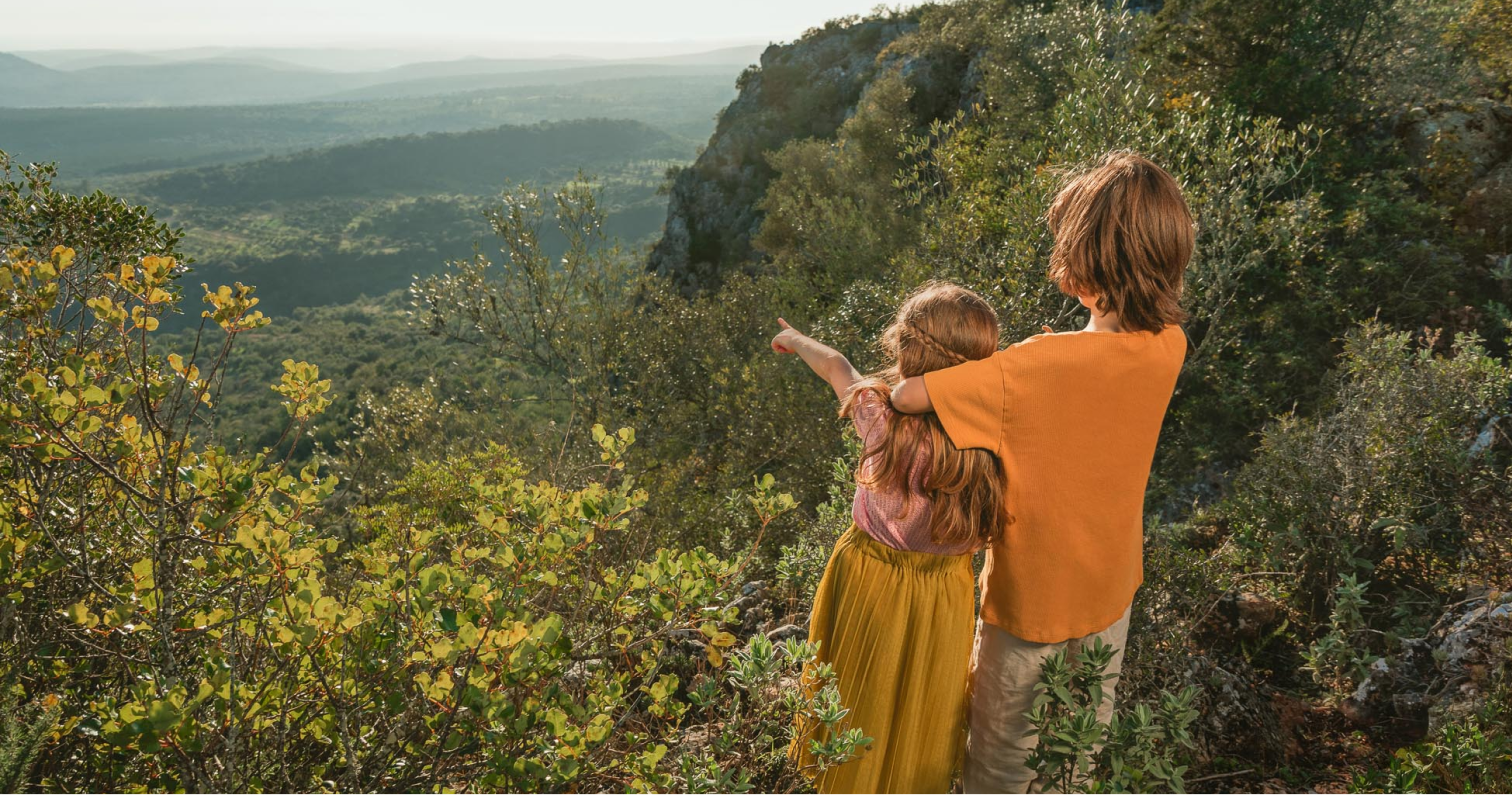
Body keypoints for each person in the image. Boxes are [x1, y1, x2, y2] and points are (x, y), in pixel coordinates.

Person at [890, 151, 1193, 794]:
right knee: (1074, 760)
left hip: (1029, 610)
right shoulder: (1170, 346)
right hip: (1110, 592)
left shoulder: (1029, 369)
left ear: (1086, 259)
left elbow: (908, 396)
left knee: (1001, 770)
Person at [773, 282, 1010, 795]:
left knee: (858, 693)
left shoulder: (881, 417)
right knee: (922, 703)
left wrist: (793, 339)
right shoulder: (992, 437)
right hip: (944, 593)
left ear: (904, 349)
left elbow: (835, 365)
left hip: (870, 578)